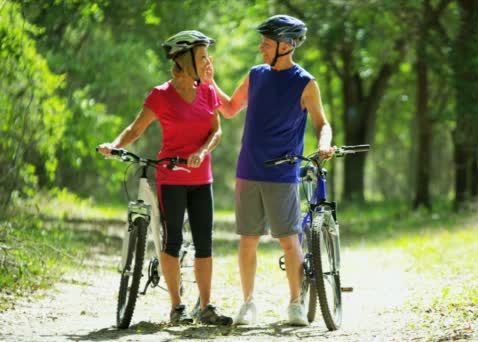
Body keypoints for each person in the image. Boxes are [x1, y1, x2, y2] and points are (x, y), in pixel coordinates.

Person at [97, 30, 232, 326]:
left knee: (204, 243)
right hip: (171, 179)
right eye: (202, 57)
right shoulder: (161, 95)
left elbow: (217, 131)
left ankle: (206, 306)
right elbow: (135, 129)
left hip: (202, 179)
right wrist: (115, 145)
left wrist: (202, 150)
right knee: (172, 242)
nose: (208, 62)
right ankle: (177, 307)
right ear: (184, 61)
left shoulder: (208, 92)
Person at [208, 15, 334, 326]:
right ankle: (248, 303)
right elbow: (229, 108)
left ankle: (295, 304)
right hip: (248, 169)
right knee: (248, 239)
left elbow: (323, 124)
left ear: (287, 46)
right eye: (262, 43)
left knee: (289, 240)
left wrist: (325, 144)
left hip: (282, 173)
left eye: (267, 43)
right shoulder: (256, 75)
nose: (261, 48)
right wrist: (209, 80)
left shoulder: (306, 83)